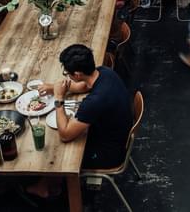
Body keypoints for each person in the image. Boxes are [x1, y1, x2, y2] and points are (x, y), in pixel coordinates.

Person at [28, 44, 132, 198]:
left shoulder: (94, 102)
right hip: (116, 134)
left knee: (57, 154)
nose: (66, 75)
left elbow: (65, 134)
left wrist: (58, 98)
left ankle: (48, 184)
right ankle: (53, 182)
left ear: (76, 74)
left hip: (108, 153)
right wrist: (53, 88)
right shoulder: (104, 72)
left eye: (67, 73)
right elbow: (83, 86)